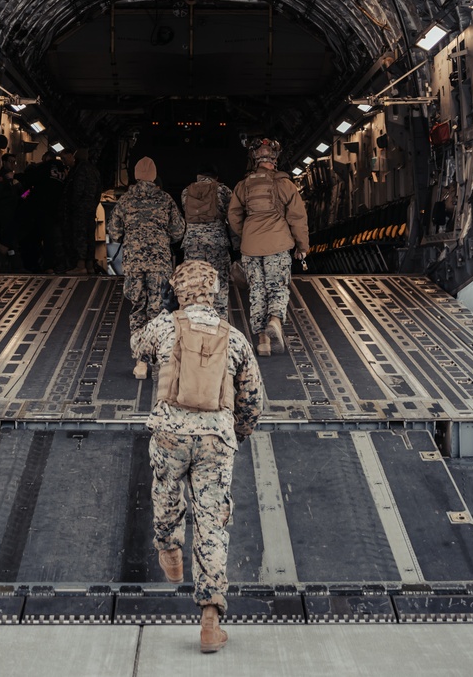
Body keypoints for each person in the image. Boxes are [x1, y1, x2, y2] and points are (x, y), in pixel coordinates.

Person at [132, 259, 263, 654]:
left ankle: (169, 548)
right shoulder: (234, 337)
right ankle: (210, 618)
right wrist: (236, 431)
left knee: (166, 491)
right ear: (214, 291)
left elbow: (138, 346)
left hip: (171, 432)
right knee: (211, 522)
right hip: (215, 439)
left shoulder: (163, 325)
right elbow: (253, 398)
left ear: (179, 290)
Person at [228, 136, 309, 357]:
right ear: (274, 159)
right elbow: (298, 218)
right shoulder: (285, 184)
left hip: (251, 246)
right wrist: (302, 246)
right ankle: (275, 320)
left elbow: (233, 215)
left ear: (254, 159)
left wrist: (246, 234)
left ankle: (262, 340)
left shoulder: (242, 186)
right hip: (278, 243)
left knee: (257, 290)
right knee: (277, 287)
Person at [107, 156, 185, 377]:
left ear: (135, 175)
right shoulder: (165, 199)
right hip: (159, 262)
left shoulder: (126, 200)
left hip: (134, 263)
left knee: (138, 309)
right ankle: (160, 360)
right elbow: (179, 230)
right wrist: (161, 238)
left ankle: (141, 363)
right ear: (153, 176)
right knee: (159, 310)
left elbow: (113, 231)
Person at [180, 167, 235, 316]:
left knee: (193, 283)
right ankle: (220, 321)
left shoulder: (186, 191)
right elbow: (233, 215)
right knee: (220, 283)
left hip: (193, 244)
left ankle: (194, 321)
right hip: (216, 243)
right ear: (215, 177)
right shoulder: (223, 190)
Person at [62, 146, 104, 273]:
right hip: (91, 209)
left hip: (80, 210)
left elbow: (77, 191)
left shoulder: (79, 170)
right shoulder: (94, 170)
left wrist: (72, 206)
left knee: (79, 236)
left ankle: (80, 265)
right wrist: (93, 205)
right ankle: (90, 265)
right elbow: (99, 191)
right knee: (90, 237)